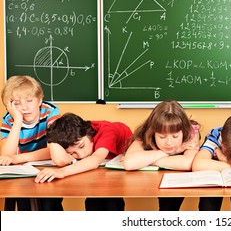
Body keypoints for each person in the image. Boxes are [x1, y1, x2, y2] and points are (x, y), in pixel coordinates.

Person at [34, 112, 133, 211]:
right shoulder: (75, 137)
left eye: (81, 146)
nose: (81, 155)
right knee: (93, 201)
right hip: (99, 171)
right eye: (72, 153)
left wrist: (61, 171)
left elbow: (95, 160)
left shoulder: (107, 131)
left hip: (121, 171)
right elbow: (53, 155)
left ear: (88, 133)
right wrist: (19, 158)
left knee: (111, 202)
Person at [123, 100, 200, 211]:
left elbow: (189, 163)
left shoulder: (191, 130)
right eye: (162, 137)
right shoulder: (145, 133)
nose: (169, 143)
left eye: (175, 136)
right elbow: (129, 163)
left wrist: (146, 160)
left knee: (169, 207)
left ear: (183, 131)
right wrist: (172, 152)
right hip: (150, 181)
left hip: (176, 181)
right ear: (153, 133)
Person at [0, 75, 63, 211]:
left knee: (50, 205)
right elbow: (6, 156)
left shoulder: (50, 112)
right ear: (9, 105)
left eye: (29, 100)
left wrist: (16, 158)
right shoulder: (9, 120)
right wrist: (17, 121)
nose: (24, 107)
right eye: (16, 103)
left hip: (49, 166)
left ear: (39, 100)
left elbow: (54, 150)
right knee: (25, 204)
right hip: (23, 171)